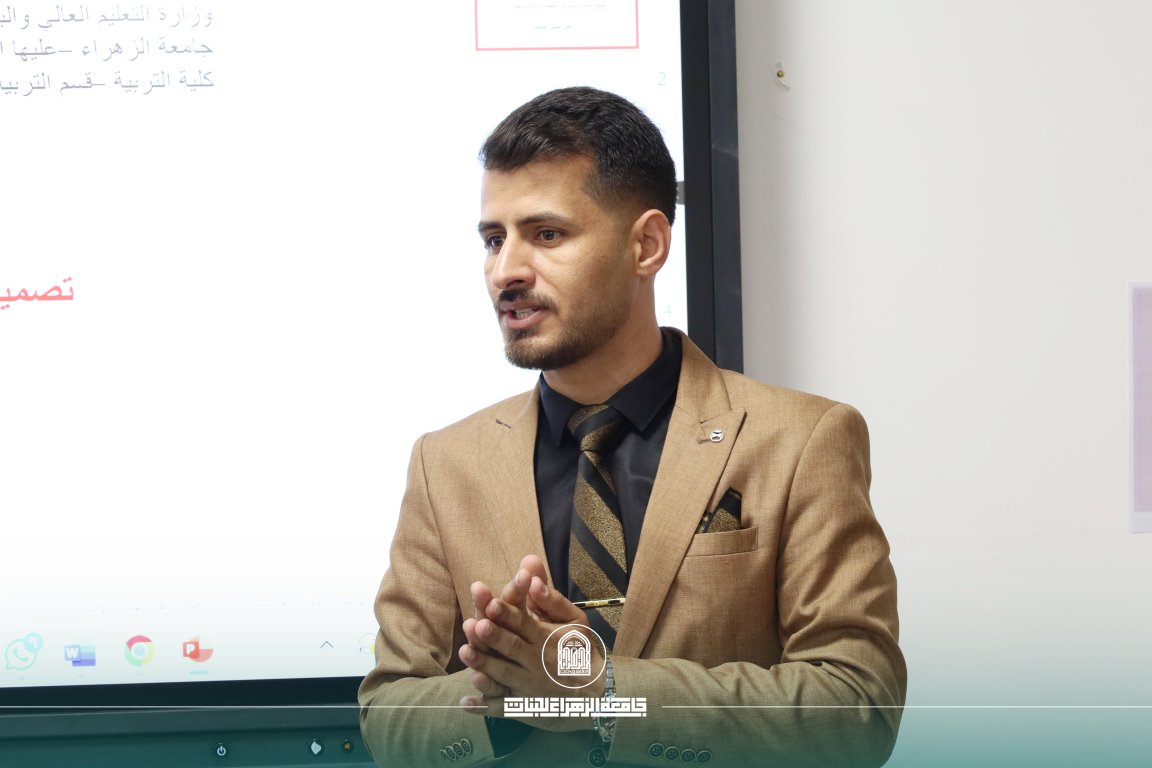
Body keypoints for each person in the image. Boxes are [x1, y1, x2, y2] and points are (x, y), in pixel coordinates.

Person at [358, 85, 906, 767]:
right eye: (494, 240)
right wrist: (518, 699)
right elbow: (388, 710)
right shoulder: (445, 464)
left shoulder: (801, 440)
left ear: (647, 244)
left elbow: (857, 707)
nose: (505, 271)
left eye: (547, 235)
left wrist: (603, 693)